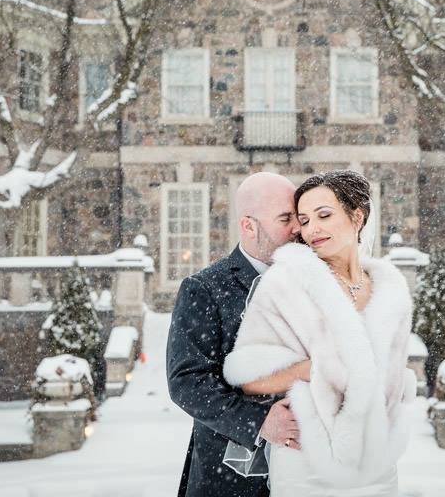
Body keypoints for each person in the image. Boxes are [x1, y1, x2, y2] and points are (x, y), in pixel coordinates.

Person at [223, 170, 415, 495]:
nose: (312, 229)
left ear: (357, 216)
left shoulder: (390, 288)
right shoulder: (286, 283)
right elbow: (248, 377)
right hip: (308, 463)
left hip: (379, 465)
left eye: (324, 215)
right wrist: (319, 368)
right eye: (304, 220)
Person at [166, 172, 303, 497]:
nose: (297, 228)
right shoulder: (204, 289)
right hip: (230, 480)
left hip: (304, 473)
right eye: (285, 218)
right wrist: (259, 422)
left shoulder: (311, 281)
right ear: (249, 226)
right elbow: (187, 382)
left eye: (297, 217)